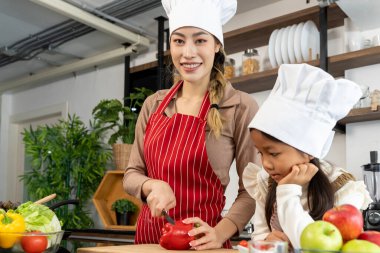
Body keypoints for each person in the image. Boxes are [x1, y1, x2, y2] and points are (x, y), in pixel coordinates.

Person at [123, 0, 259, 249]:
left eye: (200, 40)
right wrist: (152, 184)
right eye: (179, 41)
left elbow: (252, 189)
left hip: (205, 244)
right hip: (149, 243)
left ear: (217, 44)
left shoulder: (240, 106)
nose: (188, 53)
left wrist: (219, 233)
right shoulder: (154, 104)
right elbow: (131, 174)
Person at [242, 64, 373, 250]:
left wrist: (287, 190)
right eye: (260, 153)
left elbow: (318, 247)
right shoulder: (265, 181)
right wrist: (267, 239)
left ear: (309, 149)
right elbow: (259, 235)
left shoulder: (345, 189)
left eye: (273, 153)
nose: (266, 164)